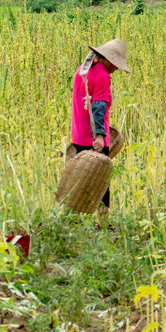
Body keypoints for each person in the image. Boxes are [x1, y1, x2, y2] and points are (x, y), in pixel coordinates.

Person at [70, 38, 130, 214]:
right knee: (102, 181)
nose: (116, 69)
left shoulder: (83, 69)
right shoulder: (103, 75)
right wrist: (99, 136)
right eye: (116, 65)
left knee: (79, 180)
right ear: (109, 60)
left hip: (78, 134)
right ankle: (103, 223)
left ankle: (73, 220)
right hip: (93, 138)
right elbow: (98, 106)